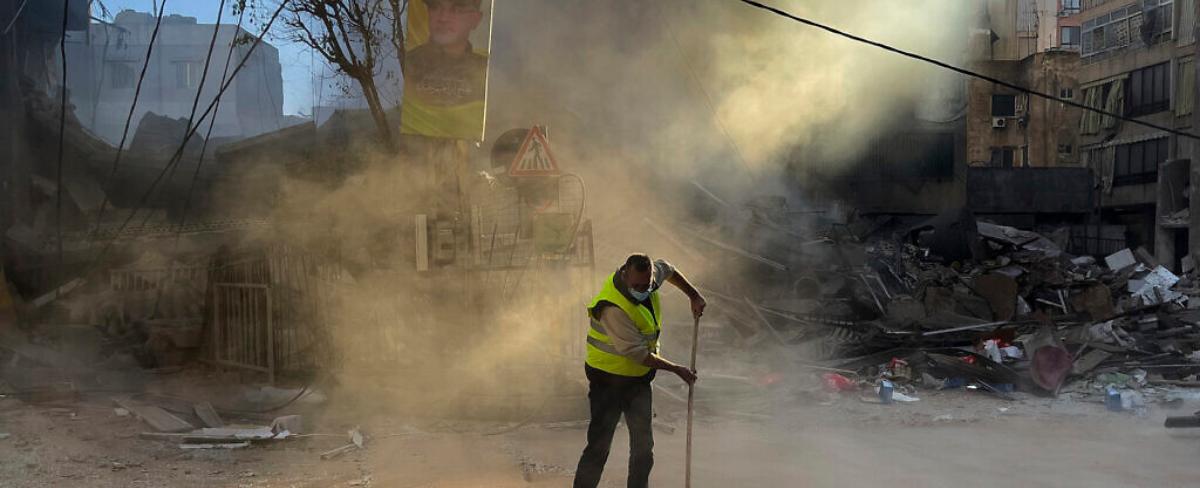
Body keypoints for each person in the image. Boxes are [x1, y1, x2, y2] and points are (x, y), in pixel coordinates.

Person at [573, 253, 707, 488]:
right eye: (636, 286)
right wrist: (677, 369)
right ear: (625, 274)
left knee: (643, 449)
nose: (642, 290)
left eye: (646, 285)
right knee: (599, 447)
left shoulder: (651, 277)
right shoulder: (611, 306)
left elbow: (670, 269)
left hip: (637, 381)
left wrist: (693, 295)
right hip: (607, 380)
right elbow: (637, 354)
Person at [404, 0, 487, 112]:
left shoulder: (489, 74)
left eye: (458, 9)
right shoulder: (404, 65)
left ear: (475, 19)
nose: (443, 18)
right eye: (435, 7)